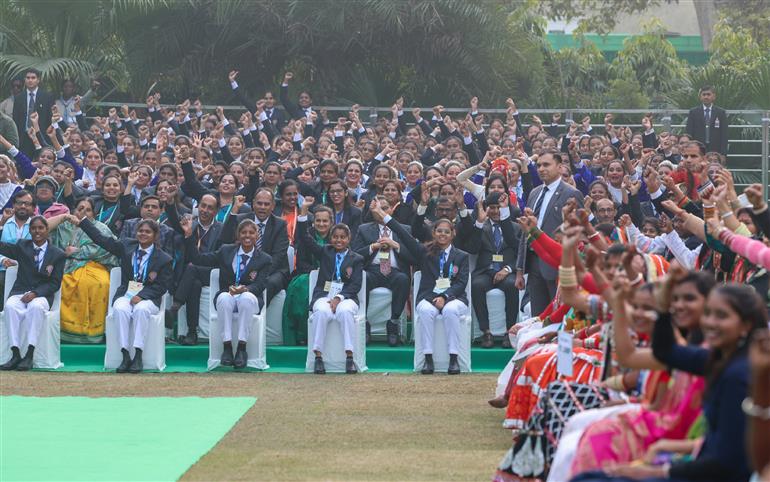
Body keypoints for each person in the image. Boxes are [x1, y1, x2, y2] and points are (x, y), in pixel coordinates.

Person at [372, 199, 470, 375]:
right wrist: (383, 215)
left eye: (446, 232)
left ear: (453, 234)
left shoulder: (462, 256)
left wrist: (445, 297)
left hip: (454, 298)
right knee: (425, 311)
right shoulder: (424, 251)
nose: (442, 235)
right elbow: (403, 234)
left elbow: (461, 283)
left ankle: (454, 359)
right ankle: (428, 359)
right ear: (433, 232)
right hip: (428, 296)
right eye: (439, 231)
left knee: (450, 311)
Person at [74, 216, 173, 373]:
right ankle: (125, 354)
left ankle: (138, 355)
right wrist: (83, 222)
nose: (143, 234)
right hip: (127, 293)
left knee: (141, 309)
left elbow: (162, 286)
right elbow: (102, 240)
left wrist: (142, 296)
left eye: (147, 232)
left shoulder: (164, 259)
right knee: (120, 309)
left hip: (149, 299)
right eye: (140, 231)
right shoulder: (127, 246)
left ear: (155, 235)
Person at [181, 217, 272, 369]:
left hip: (250, 299)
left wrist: (245, 289)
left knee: (246, 299)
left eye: (251, 232)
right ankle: (227, 347)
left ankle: (242, 348)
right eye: (243, 232)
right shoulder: (226, 251)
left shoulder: (264, 259)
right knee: (223, 298)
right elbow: (198, 259)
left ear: (257, 236)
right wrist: (189, 235)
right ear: (238, 235)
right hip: (228, 295)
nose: (247, 236)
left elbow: (260, 284)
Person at [517, 150, 584, 315]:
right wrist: (519, 269)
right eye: (539, 165)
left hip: (558, 264)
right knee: (538, 315)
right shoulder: (534, 193)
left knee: (558, 314)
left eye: (546, 165)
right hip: (533, 261)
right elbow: (526, 231)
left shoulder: (571, 193)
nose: (541, 169)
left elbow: (578, 232)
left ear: (560, 167)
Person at [297, 215, 363, 374]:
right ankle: (318, 357)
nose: (338, 240)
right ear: (330, 238)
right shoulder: (325, 251)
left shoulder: (357, 259)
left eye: (342, 237)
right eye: (335, 237)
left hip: (346, 298)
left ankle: (349, 357)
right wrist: (303, 215)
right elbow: (306, 239)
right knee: (321, 312)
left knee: (345, 311)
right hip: (324, 296)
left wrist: (338, 298)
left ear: (349, 239)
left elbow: (355, 284)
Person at [48, 198, 119, 344]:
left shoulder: (101, 228)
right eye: (80, 208)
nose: (83, 212)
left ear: (93, 213)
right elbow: (43, 228)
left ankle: (94, 332)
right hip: (66, 265)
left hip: (95, 264)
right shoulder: (64, 226)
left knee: (100, 283)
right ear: (74, 210)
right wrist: (64, 217)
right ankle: (65, 331)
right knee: (63, 282)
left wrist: (78, 251)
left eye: (87, 210)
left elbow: (107, 249)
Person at [0, 216, 65, 371]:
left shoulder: (57, 254)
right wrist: (1, 225)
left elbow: (55, 283)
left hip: (41, 296)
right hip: (20, 292)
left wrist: (36, 293)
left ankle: (29, 354)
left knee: (35, 307)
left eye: (41, 228)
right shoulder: (22, 246)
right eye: (34, 228)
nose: (37, 231)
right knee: (10, 306)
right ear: (30, 231)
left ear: (47, 230)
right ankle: (15, 353)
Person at [352, 195, 415, 346]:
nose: (380, 211)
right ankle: (364, 323)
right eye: (377, 208)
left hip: (395, 271)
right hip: (372, 270)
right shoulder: (364, 229)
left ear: (392, 210)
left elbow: (414, 257)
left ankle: (393, 323)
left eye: (385, 208)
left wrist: (396, 246)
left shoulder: (403, 229)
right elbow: (354, 255)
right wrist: (372, 247)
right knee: (363, 277)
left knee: (403, 279)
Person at [164, 193, 225, 344]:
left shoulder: (222, 229)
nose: (205, 210)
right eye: (202, 206)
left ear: (216, 211)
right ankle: (192, 333)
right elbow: (174, 220)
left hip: (211, 271)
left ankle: (174, 308)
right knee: (194, 284)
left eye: (210, 208)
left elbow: (218, 258)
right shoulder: (191, 224)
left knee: (192, 269)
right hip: (189, 275)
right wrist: (171, 203)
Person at [468, 192, 521, 348]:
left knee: (513, 286)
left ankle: (509, 331)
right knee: (476, 285)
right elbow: (472, 248)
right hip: (485, 271)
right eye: (492, 207)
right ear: (486, 209)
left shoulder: (516, 227)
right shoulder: (480, 226)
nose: (496, 211)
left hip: (507, 271)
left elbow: (520, 252)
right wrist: (479, 222)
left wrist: (507, 268)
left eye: (499, 207)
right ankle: (486, 332)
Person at [221, 188, 290, 306]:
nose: (262, 207)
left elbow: (278, 256)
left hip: (273, 270)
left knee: (268, 283)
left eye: (266, 204)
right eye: (259, 203)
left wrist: (258, 273)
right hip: (244, 268)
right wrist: (234, 210)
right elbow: (225, 240)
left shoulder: (280, 224)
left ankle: (256, 314)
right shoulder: (241, 219)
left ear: (273, 206)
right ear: (253, 204)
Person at [0, 190, 35, 310]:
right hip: (4, 268)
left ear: (33, 208)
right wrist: (3, 259)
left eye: (27, 203)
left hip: (28, 271)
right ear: (14, 205)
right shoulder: (4, 222)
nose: (23, 206)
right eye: (20, 203)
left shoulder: (37, 226)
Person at [11, 69, 54, 156]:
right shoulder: (19, 98)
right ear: (25, 80)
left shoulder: (46, 97)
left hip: (40, 136)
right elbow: (15, 119)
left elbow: (49, 119)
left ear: (38, 80)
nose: (30, 80)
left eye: (33, 78)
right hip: (23, 136)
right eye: (28, 78)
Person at [685, 85, 728, 156]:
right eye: (704, 94)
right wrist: (690, 150)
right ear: (700, 97)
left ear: (714, 96)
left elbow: (724, 134)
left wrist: (723, 154)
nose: (706, 97)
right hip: (698, 149)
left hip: (716, 149)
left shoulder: (721, 113)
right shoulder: (693, 112)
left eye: (708, 94)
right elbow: (689, 132)